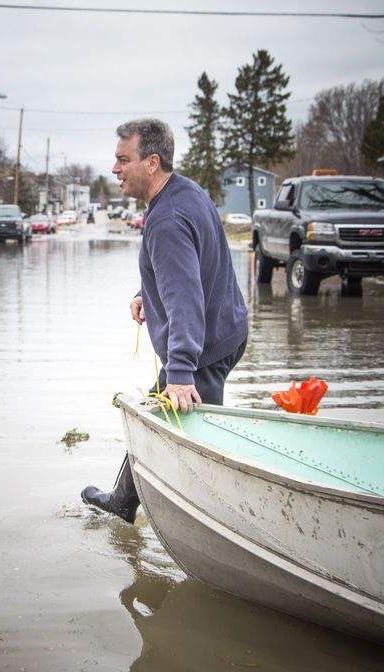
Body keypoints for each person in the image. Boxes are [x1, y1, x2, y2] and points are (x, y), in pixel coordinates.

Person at [81, 119, 248, 523]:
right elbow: (183, 267)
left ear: (151, 162)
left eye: (124, 159)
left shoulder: (167, 219)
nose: (115, 168)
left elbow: (185, 297)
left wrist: (181, 370)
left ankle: (225, 521)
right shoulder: (183, 193)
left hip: (204, 346)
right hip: (222, 329)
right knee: (156, 419)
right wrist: (145, 293)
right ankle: (124, 501)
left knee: (194, 438)